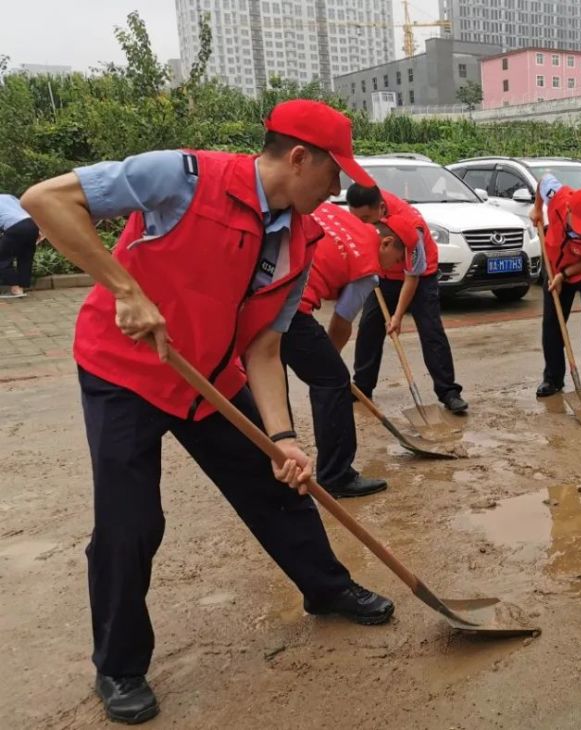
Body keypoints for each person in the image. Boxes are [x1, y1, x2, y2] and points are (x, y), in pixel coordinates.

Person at [20, 100, 394, 726]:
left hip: (210, 381)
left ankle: (326, 590)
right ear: (298, 158)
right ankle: (119, 666)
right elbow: (45, 199)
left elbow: (265, 348)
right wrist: (126, 289)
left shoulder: (301, 244)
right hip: (126, 372)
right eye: (334, 174)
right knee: (130, 521)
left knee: (278, 485)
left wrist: (284, 437)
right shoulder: (185, 178)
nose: (339, 188)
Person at [281, 201, 413, 498]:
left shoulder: (337, 214)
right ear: (387, 242)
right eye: (398, 259)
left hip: (262, 291)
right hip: (288, 306)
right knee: (333, 381)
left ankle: (275, 461)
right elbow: (341, 325)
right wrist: (332, 367)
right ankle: (337, 476)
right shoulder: (368, 269)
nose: (397, 268)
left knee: (272, 378)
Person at [346, 184, 468, 414]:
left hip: (421, 276)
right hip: (383, 274)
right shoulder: (365, 213)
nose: (362, 223)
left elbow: (412, 277)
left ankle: (449, 392)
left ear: (381, 208)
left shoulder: (413, 227)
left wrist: (397, 317)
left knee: (431, 330)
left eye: (366, 218)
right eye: (357, 218)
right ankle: (362, 386)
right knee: (368, 327)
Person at [529, 174, 581, 403]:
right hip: (555, 265)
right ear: (568, 210)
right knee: (552, 324)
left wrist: (565, 275)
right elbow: (543, 181)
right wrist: (537, 209)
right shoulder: (557, 197)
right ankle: (553, 379)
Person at [0, 193, 40, 298]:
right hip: (32, 224)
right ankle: (21, 287)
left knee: (2, 258)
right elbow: (25, 207)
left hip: (15, 227)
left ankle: (15, 289)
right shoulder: (7, 196)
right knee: (25, 257)